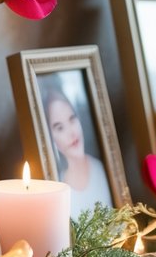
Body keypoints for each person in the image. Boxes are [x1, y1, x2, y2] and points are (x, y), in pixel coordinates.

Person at [44, 86, 113, 216]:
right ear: (50, 139)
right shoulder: (57, 192)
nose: (72, 132)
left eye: (72, 119)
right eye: (60, 128)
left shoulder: (102, 169)